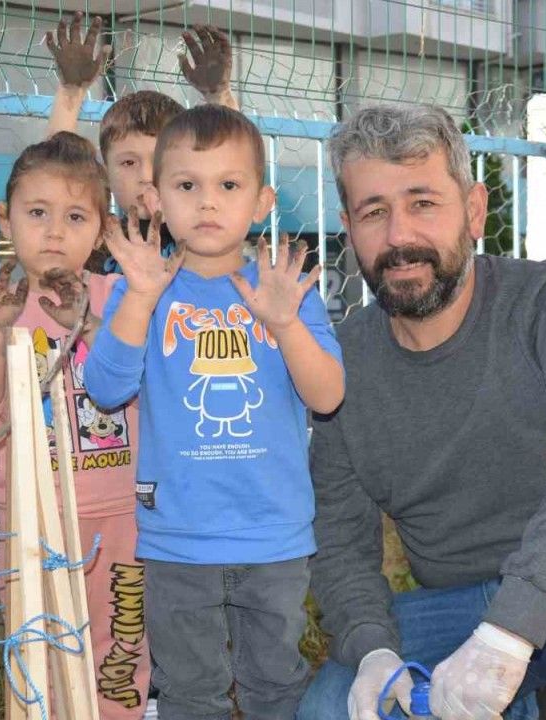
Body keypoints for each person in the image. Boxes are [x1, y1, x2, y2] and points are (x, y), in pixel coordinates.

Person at [296, 103, 546, 720]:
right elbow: (339, 542)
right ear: (348, 229)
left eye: (424, 203)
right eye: (375, 212)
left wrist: (508, 634)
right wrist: (371, 648)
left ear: (474, 211)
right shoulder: (339, 366)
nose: (399, 236)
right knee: (330, 710)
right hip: (454, 608)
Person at [84, 105, 344, 719]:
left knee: (276, 687)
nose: (207, 202)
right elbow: (105, 389)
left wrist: (285, 323)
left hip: (271, 536)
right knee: (189, 692)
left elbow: (328, 396)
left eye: (228, 185)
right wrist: (140, 297)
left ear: (261, 202)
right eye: (186, 185)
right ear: (155, 199)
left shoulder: (285, 289)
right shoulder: (142, 289)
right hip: (176, 541)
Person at [0, 131, 152, 718]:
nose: (55, 232)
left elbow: (148, 380)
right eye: (37, 213)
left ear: (102, 230)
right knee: (36, 650)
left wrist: (88, 326)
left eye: (75, 217)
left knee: (120, 655)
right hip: (31, 523)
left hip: (122, 520)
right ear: (5, 219)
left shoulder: (121, 298)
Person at [42, 12, 239, 273]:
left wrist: (220, 96)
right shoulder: (98, 246)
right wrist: (71, 91)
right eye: (128, 162)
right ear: (106, 174)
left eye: (158, 161)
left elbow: (236, 166)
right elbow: (53, 178)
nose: (146, 177)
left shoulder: (205, 237)